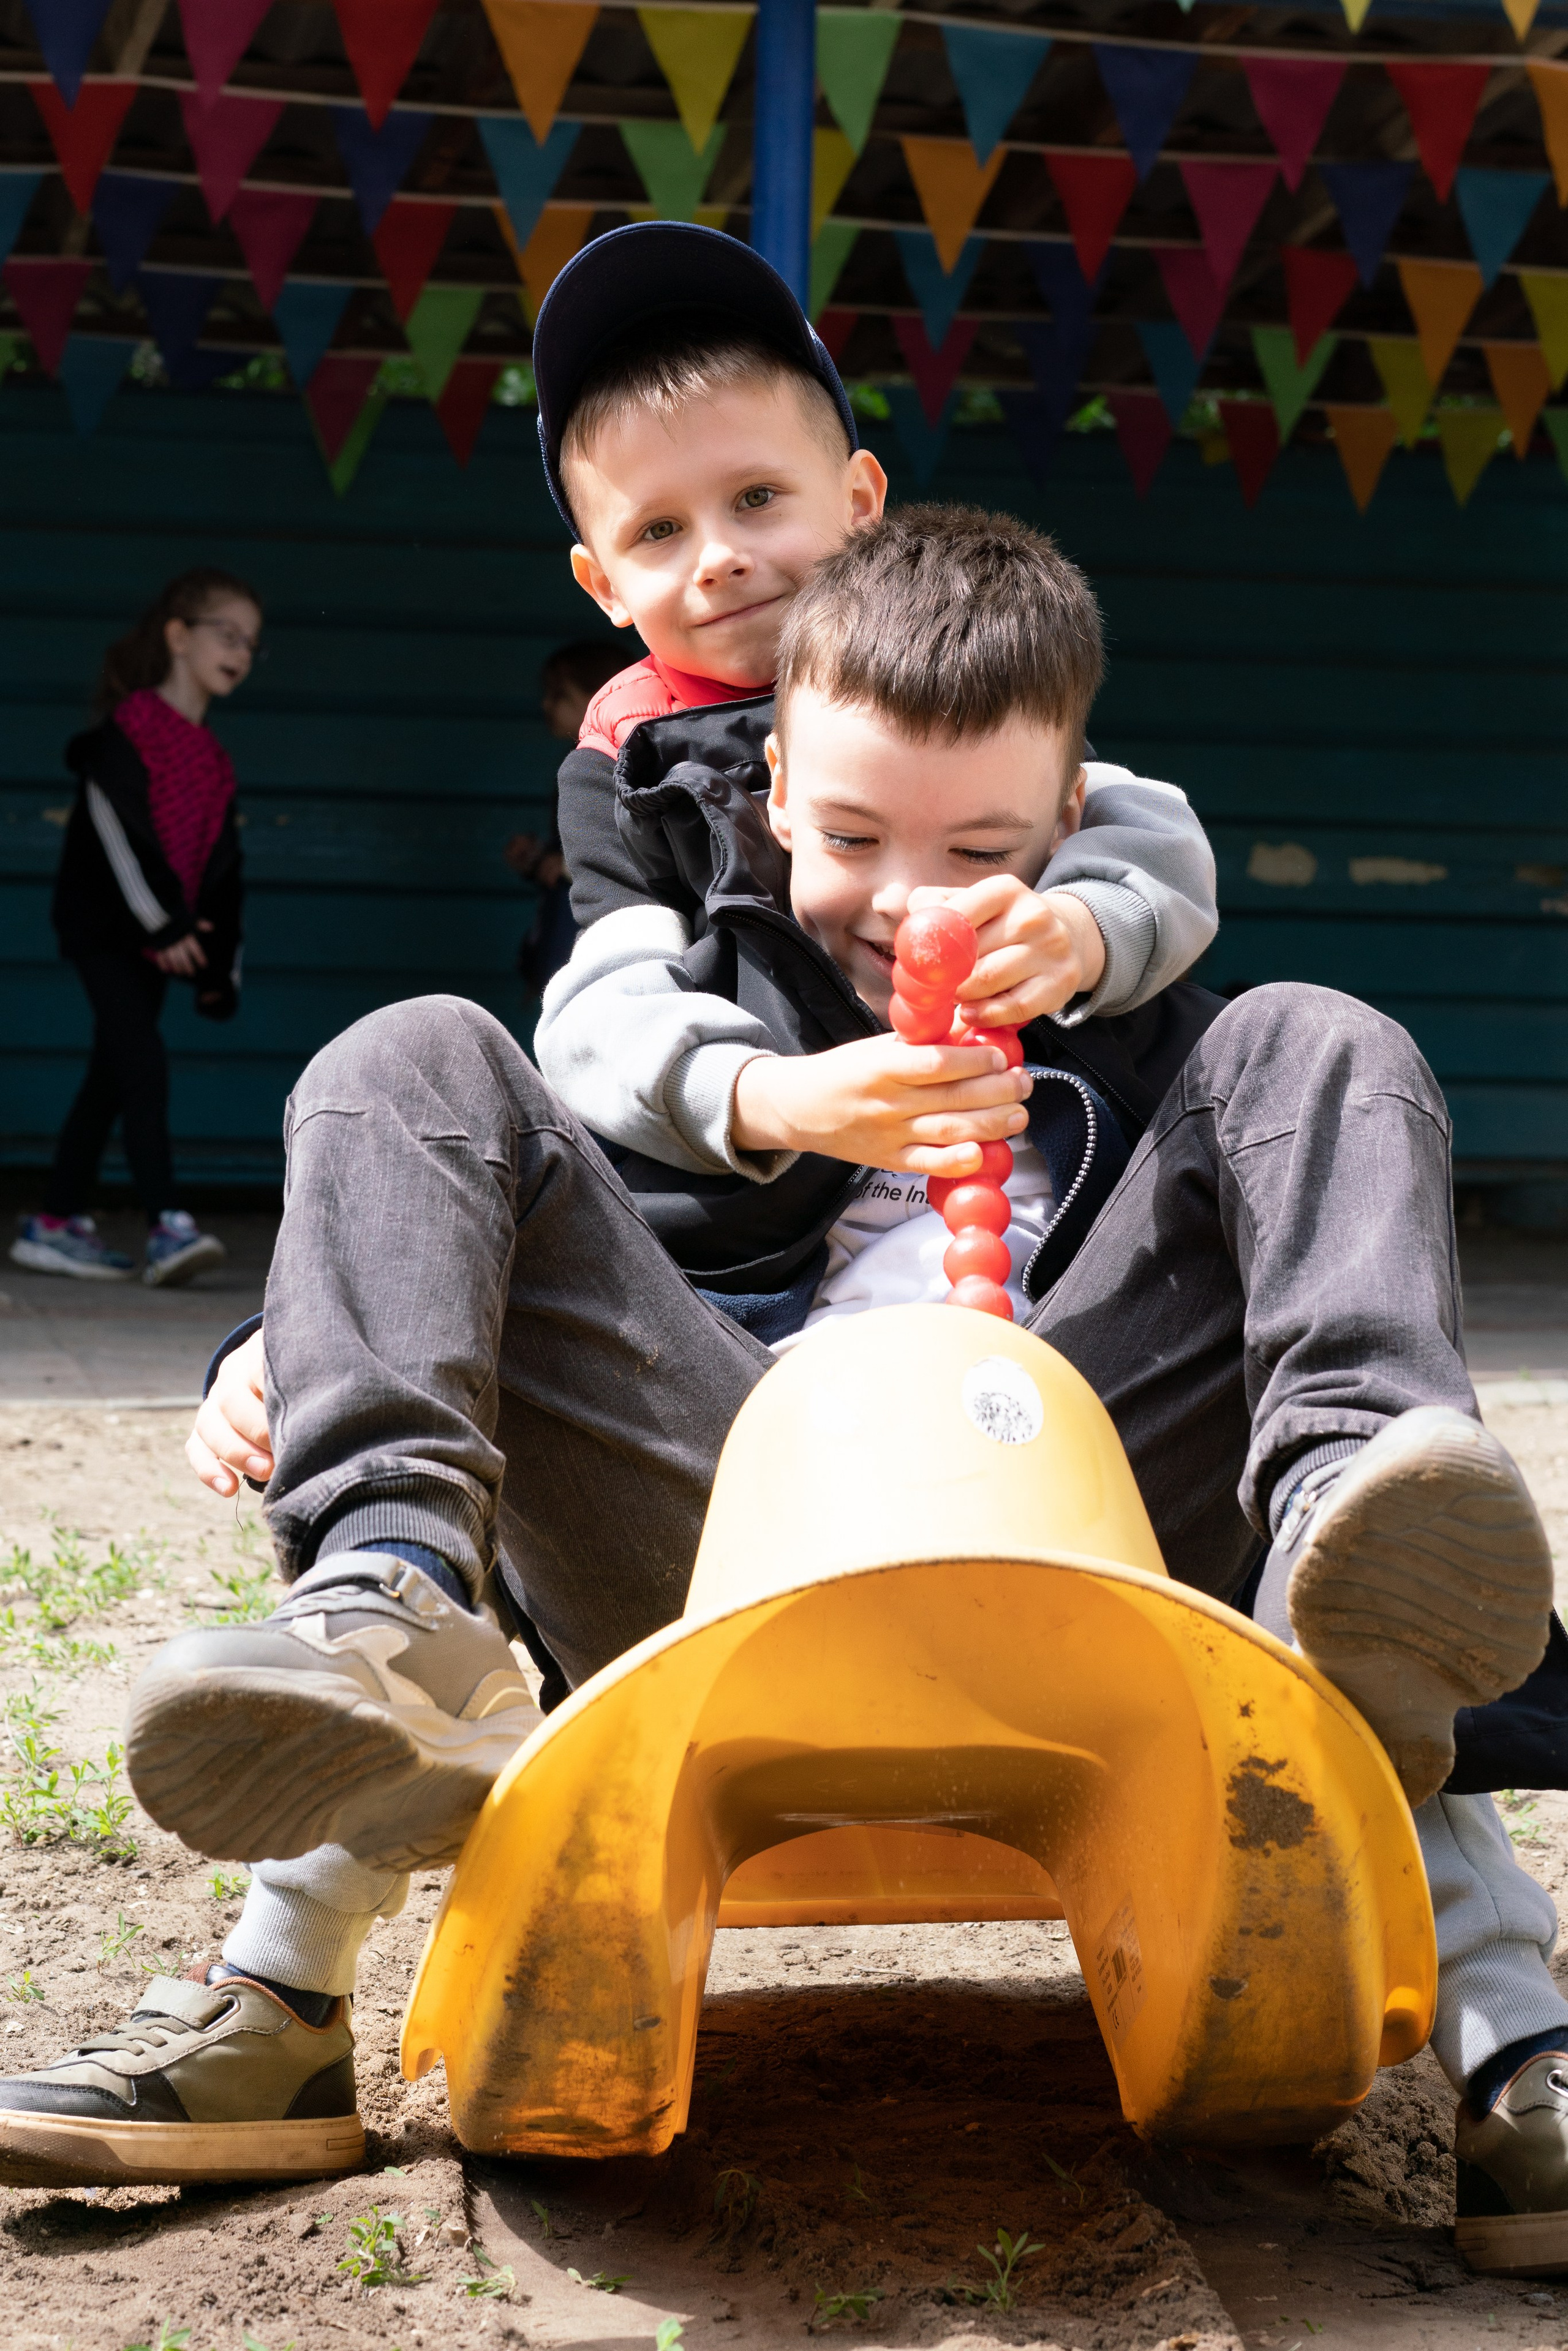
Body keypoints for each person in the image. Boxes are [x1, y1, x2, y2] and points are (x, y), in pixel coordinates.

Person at [0, 507, 1564, 2278]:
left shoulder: (1143, 1009)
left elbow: (1202, 982)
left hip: (1105, 1525)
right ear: (771, 801)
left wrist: (1098, 955)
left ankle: (1509, 2021)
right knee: (406, 1053)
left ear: (1073, 819)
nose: (910, 894)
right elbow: (466, 1195)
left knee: (1328, 1043)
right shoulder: (686, 1002)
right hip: (712, 1518)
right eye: (851, 836)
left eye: (981, 844)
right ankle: (312, 1861)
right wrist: (287, 1338)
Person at [10, 569, 255, 1288]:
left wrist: (218, 966)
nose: (241, 652)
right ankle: (168, 1224)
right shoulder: (126, 734)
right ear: (178, 636)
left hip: (161, 939)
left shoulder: (212, 758)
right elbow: (119, 842)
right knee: (141, 1063)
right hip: (107, 931)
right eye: (227, 635)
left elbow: (222, 866)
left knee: (111, 1074)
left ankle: (55, 1221)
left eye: (251, 643)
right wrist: (165, 922)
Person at [503, 640, 623, 997]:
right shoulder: (579, 760)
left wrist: (564, 866)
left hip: (603, 942)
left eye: (559, 695)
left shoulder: (619, 763)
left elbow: (632, 854)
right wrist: (542, 861)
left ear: (598, 696)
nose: (546, 705)